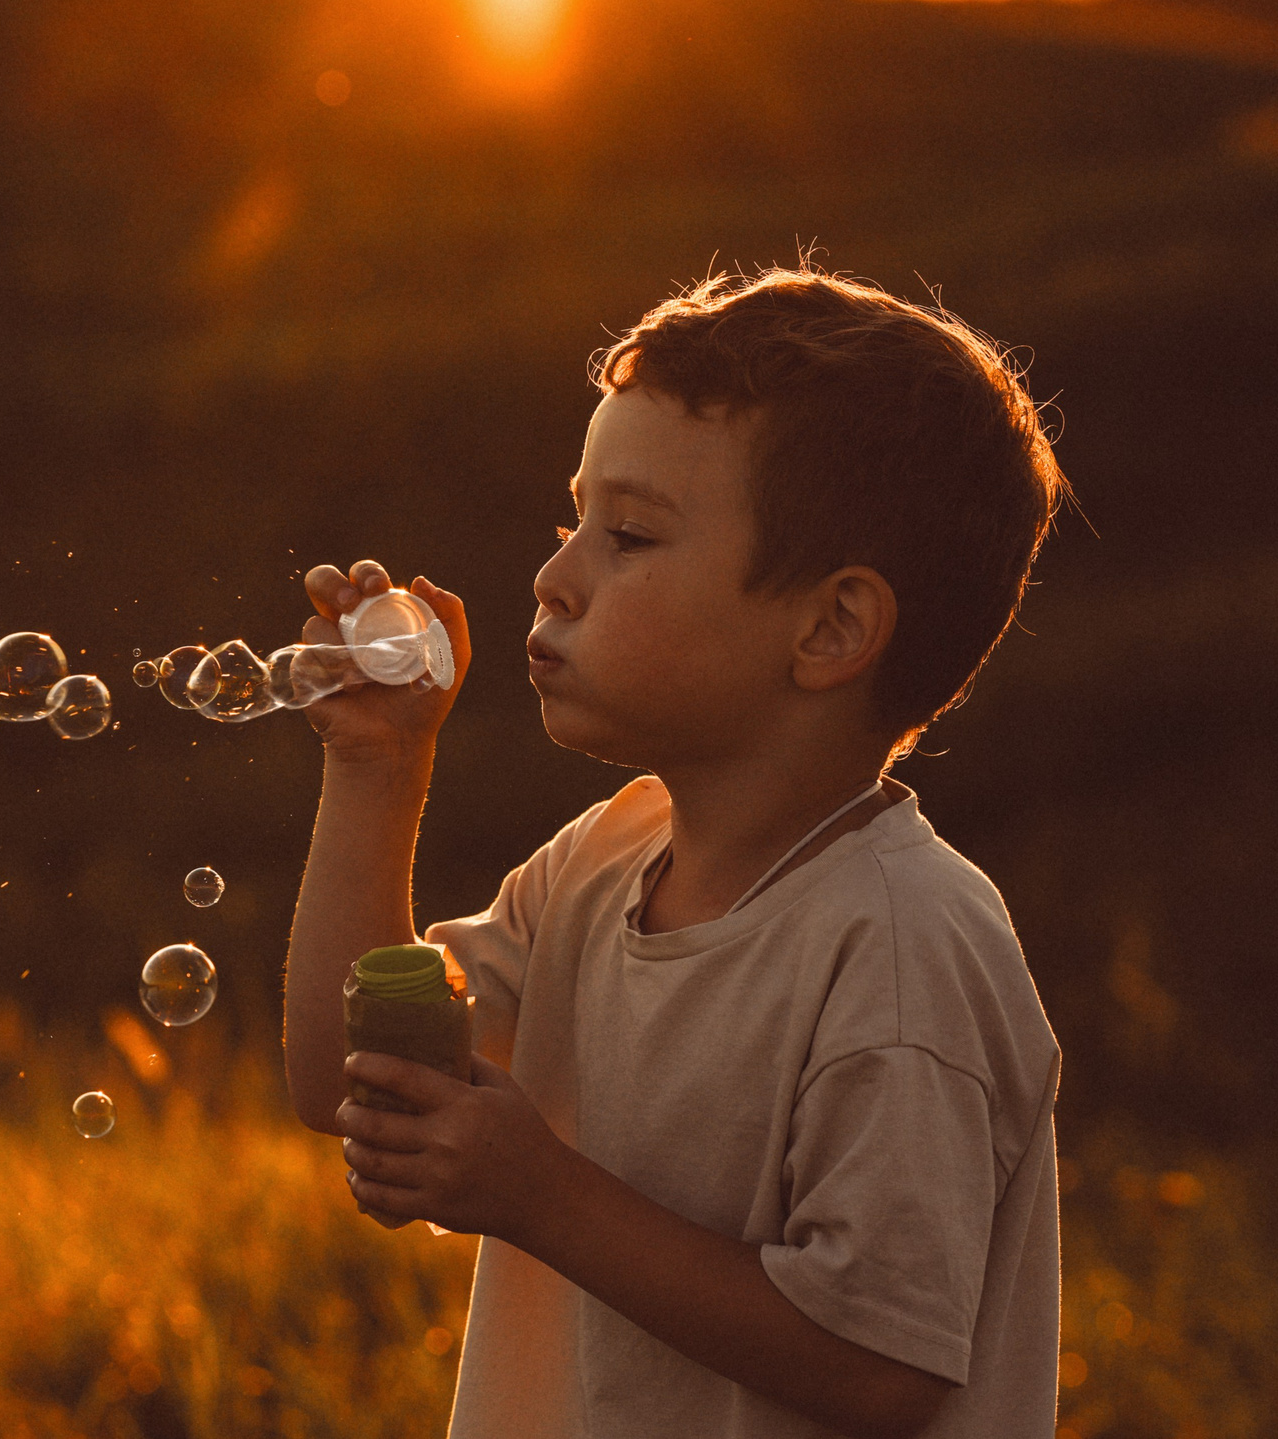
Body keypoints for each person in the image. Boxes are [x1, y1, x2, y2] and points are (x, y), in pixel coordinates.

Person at [282, 265, 1070, 1438]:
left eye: (629, 534)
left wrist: (541, 1193)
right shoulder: (602, 859)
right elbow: (347, 1083)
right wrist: (375, 772)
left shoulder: (902, 946)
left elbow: (882, 1366)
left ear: (831, 627)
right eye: (573, 522)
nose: (553, 578)